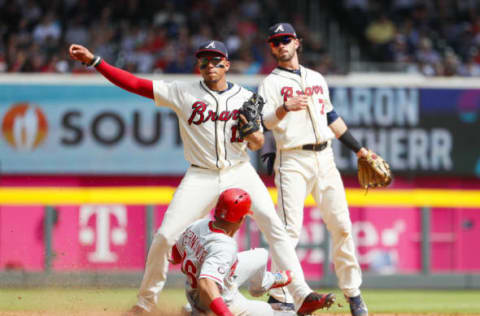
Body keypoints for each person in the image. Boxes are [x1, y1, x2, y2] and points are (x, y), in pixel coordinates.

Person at [69, 40, 335, 316]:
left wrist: (251, 134)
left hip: (239, 169)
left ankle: (302, 294)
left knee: (275, 227)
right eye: (204, 60)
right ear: (199, 65)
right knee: (164, 236)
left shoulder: (246, 97)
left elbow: (257, 143)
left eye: (216, 60)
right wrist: (95, 61)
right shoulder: (182, 92)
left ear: (227, 65)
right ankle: (145, 303)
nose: (210, 65)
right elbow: (136, 84)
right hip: (201, 173)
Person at [258, 23, 369, 316]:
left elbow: (332, 116)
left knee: (342, 227)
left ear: (297, 42)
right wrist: (284, 107)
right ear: (271, 47)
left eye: (286, 39)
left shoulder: (316, 77)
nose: (281, 44)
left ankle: (353, 294)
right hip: (293, 160)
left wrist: (360, 149)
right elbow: (263, 122)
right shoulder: (269, 83)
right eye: (275, 41)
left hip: (326, 159)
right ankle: (279, 297)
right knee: (288, 233)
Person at [170, 188, 294, 316]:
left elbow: (175, 256)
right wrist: (225, 313)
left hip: (198, 293)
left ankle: (267, 281)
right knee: (280, 313)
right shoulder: (225, 246)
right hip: (220, 304)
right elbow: (206, 283)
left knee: (261, 255)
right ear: (242, 218)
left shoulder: (198, 225)